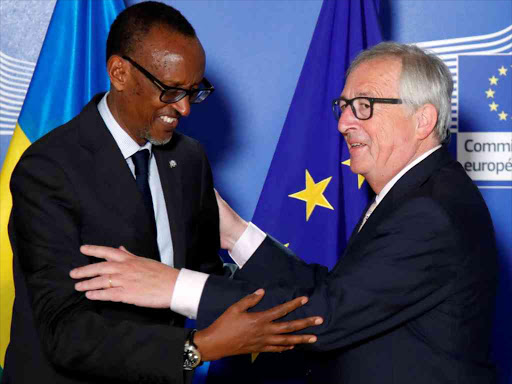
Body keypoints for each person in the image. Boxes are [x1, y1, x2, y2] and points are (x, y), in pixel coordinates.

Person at [70, 42, 498, 383]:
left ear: (423, 120)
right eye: (344, 106)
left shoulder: (429, 211)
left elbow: (322, 317)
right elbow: (336, 292)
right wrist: (234, 233)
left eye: (364, 106)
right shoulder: (418, 193)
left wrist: (173, 286)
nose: (344, 123)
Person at [2, 3, 322, 384]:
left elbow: (202, 273)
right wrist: (197, 347)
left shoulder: (188, 158)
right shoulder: (48, 169)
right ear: (119, 73)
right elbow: (65, 330)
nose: (184, 108)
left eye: (193, 91)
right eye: (170, 91)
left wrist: (276, 303)